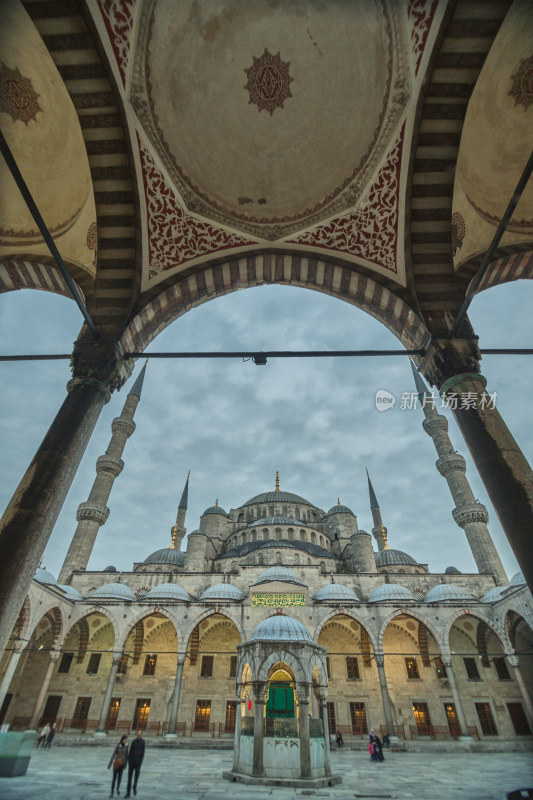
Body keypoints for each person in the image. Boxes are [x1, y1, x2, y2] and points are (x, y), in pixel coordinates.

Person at [125, 729, 145, 797]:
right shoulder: (133, 741)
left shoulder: (143, 742)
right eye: (138, 733)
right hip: (131, 762)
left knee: (136, 777)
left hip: (138, 762)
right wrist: (129, 761)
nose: (138, 734)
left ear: (141, 734)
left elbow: (143, 753)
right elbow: (130, 752)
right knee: (129, 778)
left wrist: (140, 762)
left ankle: (134, 786)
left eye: (139, 733)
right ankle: (128, 793)